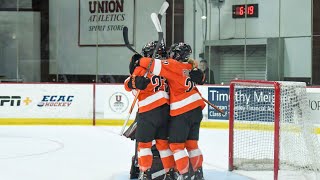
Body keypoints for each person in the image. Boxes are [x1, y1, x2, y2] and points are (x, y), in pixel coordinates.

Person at [130, 42, 206, 180]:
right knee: (182, 144)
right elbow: (200, 77)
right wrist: (200, 74)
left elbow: (149, 67)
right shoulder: (188, 66)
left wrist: (137, 61)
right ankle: (193, 172)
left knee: (162, 145)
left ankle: (179, 174)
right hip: (187, 110)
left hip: (167, 111)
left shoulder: (170, 65)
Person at [124, 41, 176, 180]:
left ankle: (145, 173)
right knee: (163, 145)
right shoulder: (168, 68)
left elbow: (128, 85)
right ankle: (170, 173)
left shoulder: (143, 67)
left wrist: (134, 81)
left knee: (144, 145)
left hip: (148, 112)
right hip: (166, 112)